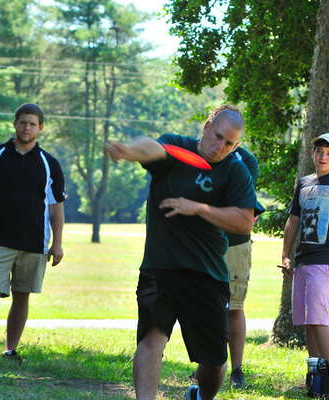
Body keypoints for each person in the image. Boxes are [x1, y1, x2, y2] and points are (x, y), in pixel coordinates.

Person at [105, 105, 259, 400]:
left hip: (207, 273)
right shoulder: (178, 148)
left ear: (236, 144)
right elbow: (153, 148)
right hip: (160, 267)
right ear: (207, 126)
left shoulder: (235, 170)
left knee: (214, 361)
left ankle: (201, 396)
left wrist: (199, 208)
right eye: (217, 137)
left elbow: (244, 221)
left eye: (229, 143)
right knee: (151, 339)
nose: (220, 146)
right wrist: (129, 151)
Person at [0, 103, 65, 362]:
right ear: (15, 124)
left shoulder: (49, 163)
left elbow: (56, 206)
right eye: (23, 122)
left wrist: (57, 243)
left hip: (35, 242)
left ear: (40, 128)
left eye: (32, 124)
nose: (27, 128)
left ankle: (10, 349)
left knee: (22, 296)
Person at [280, 133, 329, 366]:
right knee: (309, 322)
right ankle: (316, 375)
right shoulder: (304, 183)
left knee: (320, 319)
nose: (323, 157)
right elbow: (293, 220)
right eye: (319, 152)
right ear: (312, 154)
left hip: (325, 261)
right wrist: (286, 255)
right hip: (303, 261)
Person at [224, 145, 260, 389]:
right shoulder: (196, 153)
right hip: (203, 243)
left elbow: (240, 202)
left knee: (234, 306)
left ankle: (236, 370)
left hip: (235, 243)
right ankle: (208, 364)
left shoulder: (245, 159)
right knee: (206, 307)